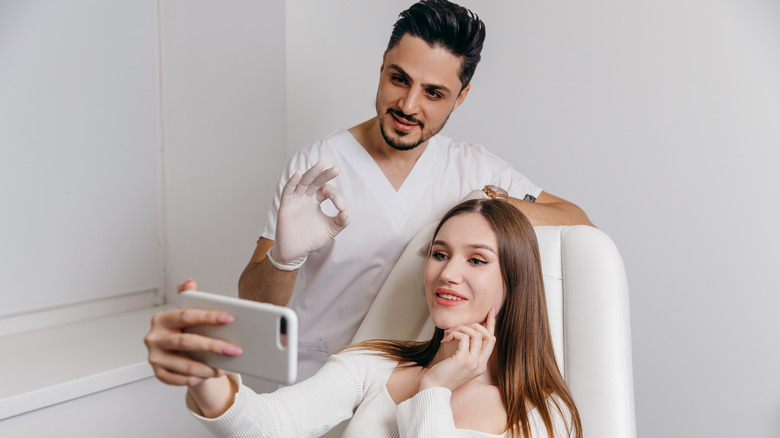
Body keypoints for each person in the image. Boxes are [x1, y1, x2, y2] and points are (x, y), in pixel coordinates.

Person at [239, 0, 594, 381]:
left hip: (415, 390)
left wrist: (484, 205)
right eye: (399, 79)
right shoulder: (316, 167)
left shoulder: (473, 168)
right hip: (318, 378)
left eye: (434, 93)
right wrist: (284, 260)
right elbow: (254, 304)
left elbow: (578, 222)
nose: (408, 105)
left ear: (461, 97)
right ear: (382, 67)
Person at [145, 196, 583, 437]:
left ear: (516, 281)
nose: (447, 273)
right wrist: (204, 375)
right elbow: (267, 426)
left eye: (477, 260)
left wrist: (433, 392)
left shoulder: (545, 415)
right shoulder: (372, 365)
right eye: (440, 253)